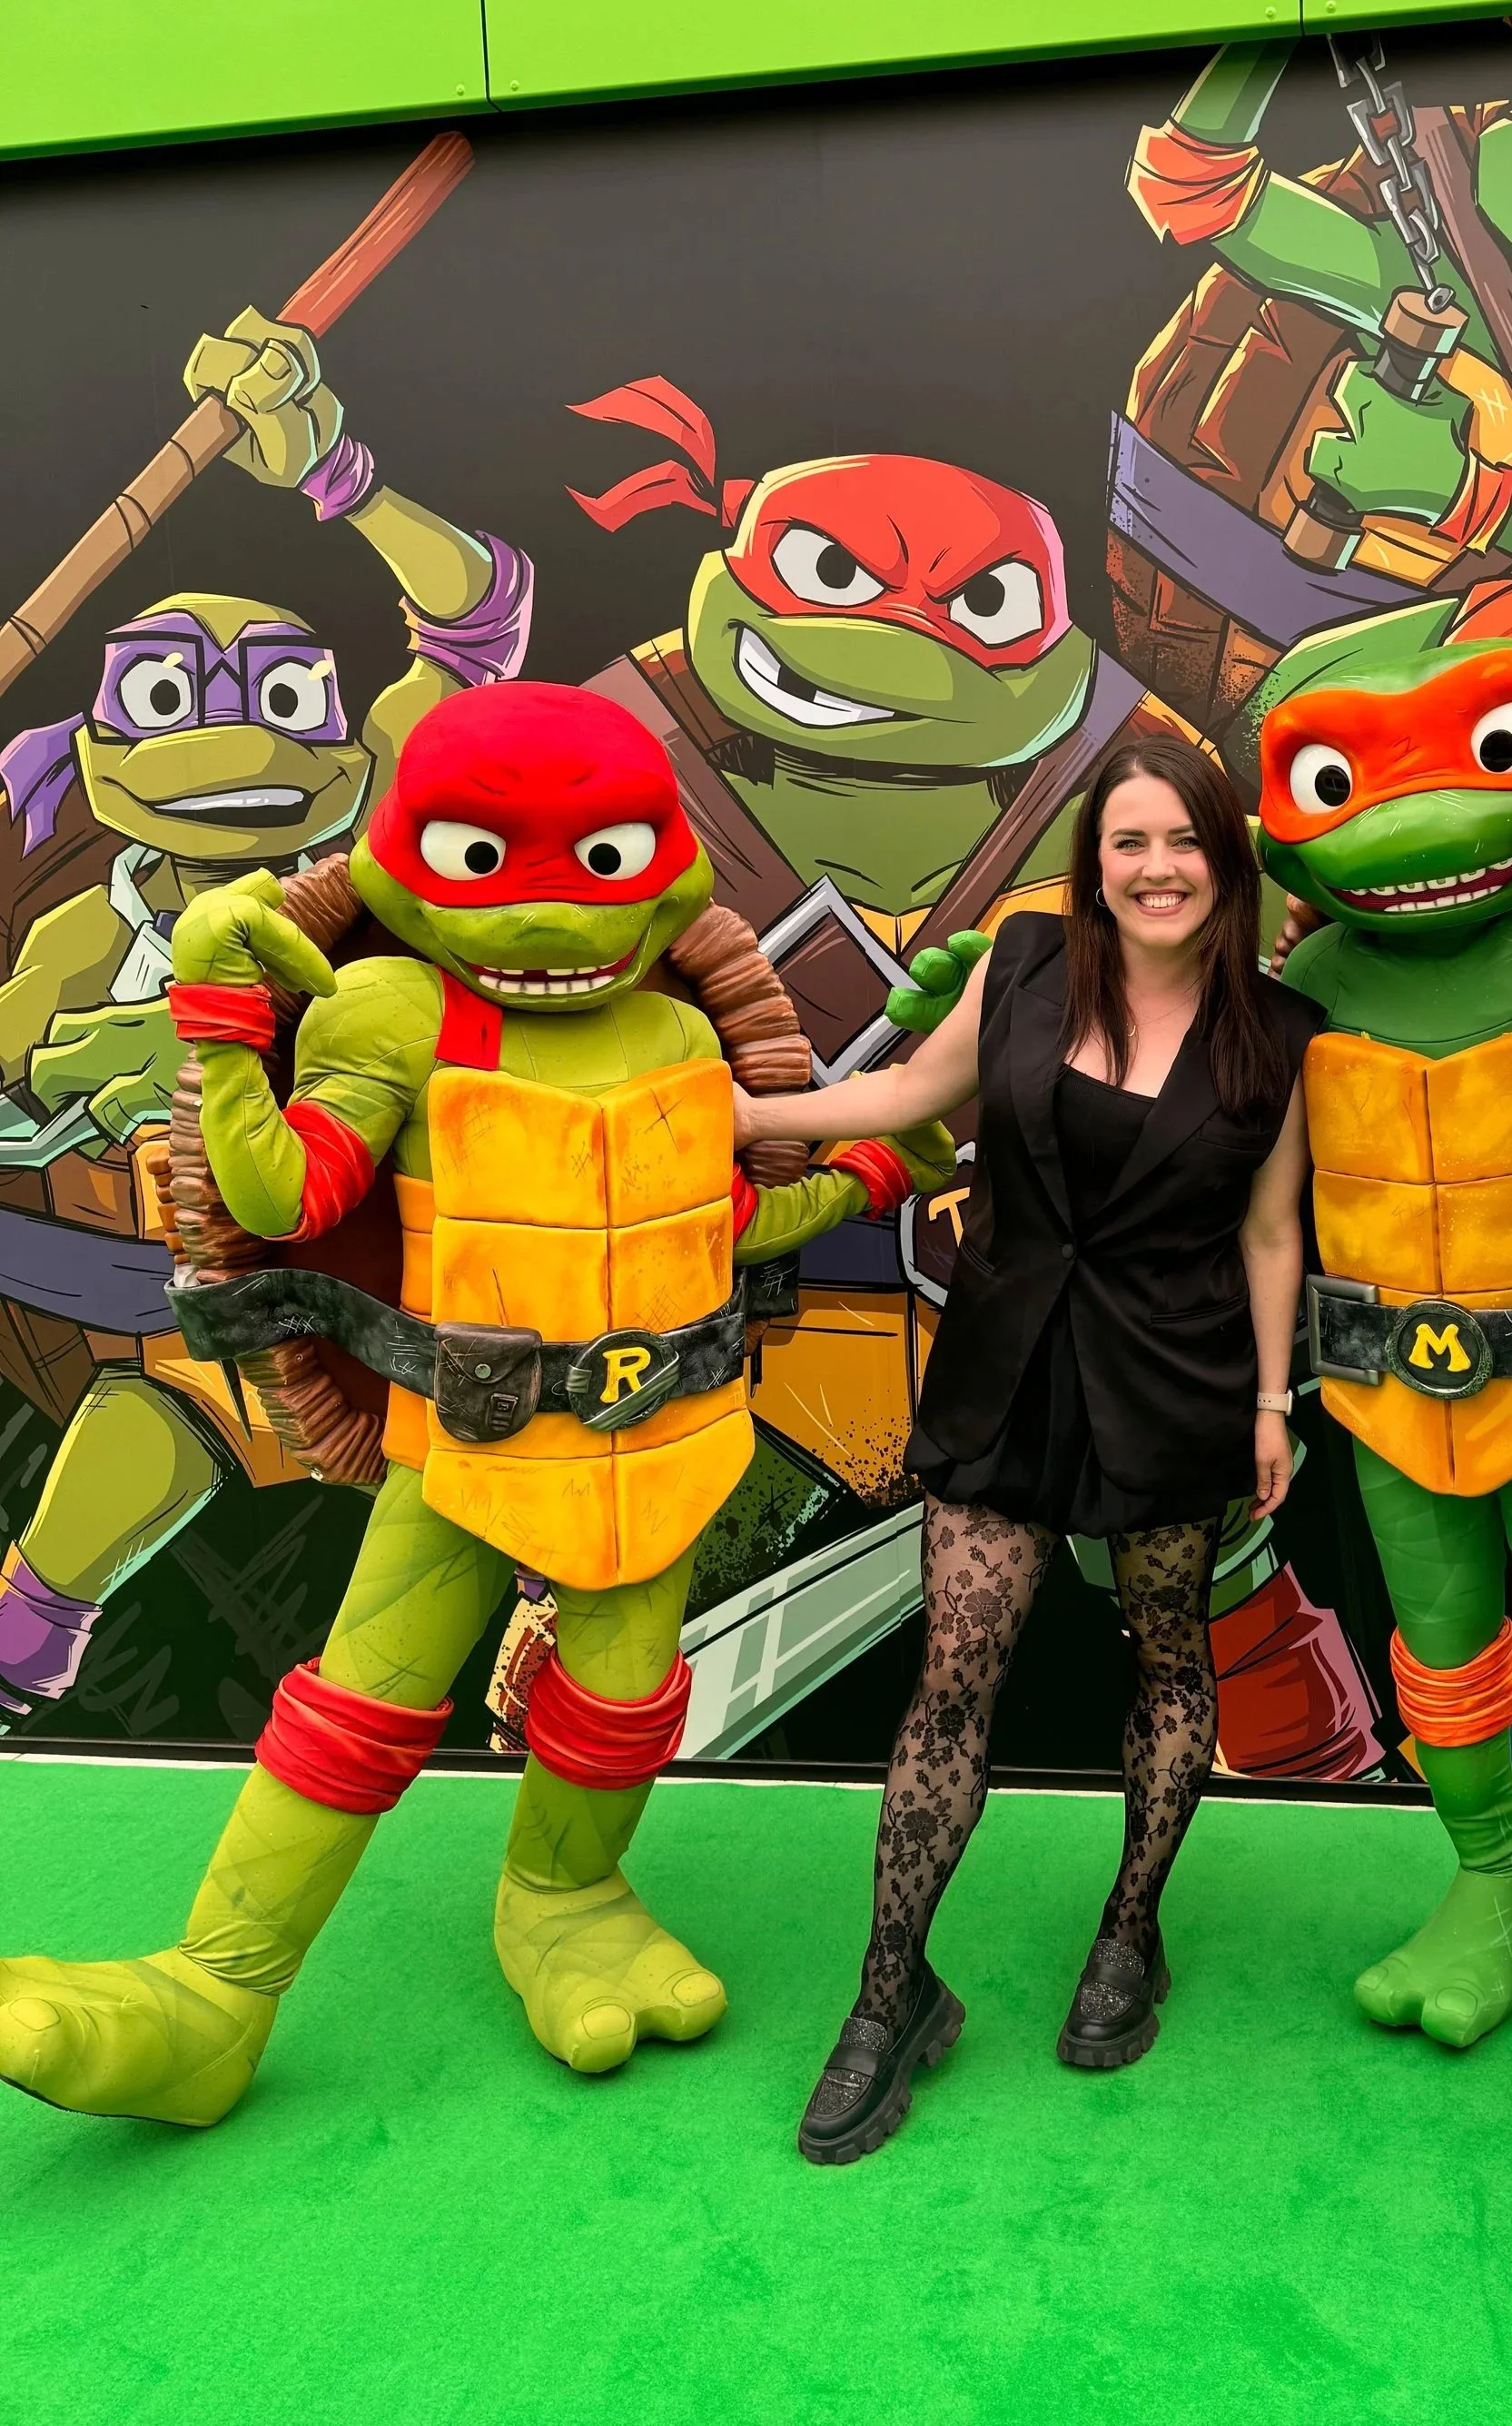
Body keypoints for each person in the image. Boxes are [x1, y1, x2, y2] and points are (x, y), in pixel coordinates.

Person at [734, 734, 1323, 2163]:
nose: (1158, 868)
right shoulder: (1024, 964)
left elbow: (1269, 1229)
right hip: (1005, 1365)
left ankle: (1132, 1929)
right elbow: (903, 1096)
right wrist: (750, 1115)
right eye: (1130, 841)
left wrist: (1269, 1403)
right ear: (1094, 860)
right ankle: (890, 1993)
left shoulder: (1278, 1032)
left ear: (1225, 859)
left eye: (1184, 841)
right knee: (954, 1674)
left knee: (1167, 1651)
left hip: (1173, 1380)